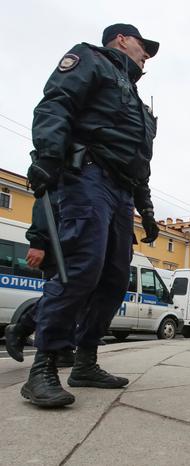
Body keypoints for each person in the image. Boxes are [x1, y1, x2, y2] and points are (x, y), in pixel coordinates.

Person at [21, 23, 160, 408]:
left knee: (114, 279)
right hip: (87, 176)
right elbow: (56, 103)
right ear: (121, 39)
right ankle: (43, 367)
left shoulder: (135, 99)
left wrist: (146, 209)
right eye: (142, 45)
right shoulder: (91, 60)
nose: (146, 54)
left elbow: (140, 161)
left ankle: (86, 362)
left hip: (122, 191)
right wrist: (49, 156)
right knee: (81, 267)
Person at [4, 198, 74, 367]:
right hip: (56, 248)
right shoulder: (62, 175)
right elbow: (45, 200)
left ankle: (64, 349)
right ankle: (22, 328)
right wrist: (37, 241)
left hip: (71, 247)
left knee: (72, 298)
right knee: (61, 294)